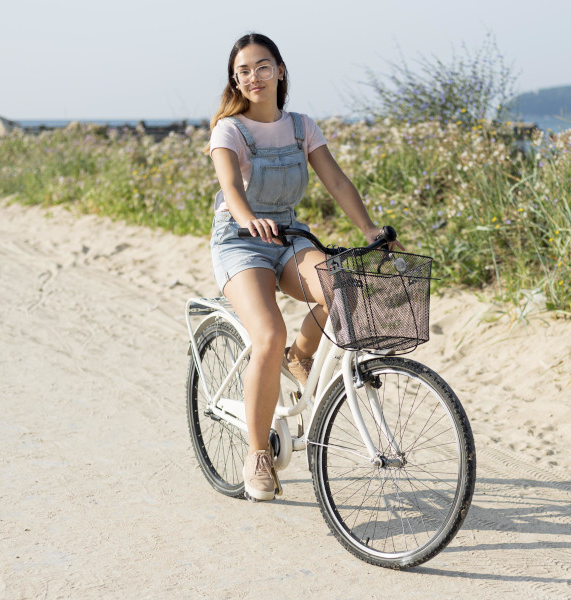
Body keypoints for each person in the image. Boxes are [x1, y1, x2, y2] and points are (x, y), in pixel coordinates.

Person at [206, 33, 391, 501]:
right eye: (243, 71)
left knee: (340, 286)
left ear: (281, 70)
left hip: (288, 235)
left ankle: (301, 357)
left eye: (262, 67)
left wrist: (369, 228)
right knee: (268, 334)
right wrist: (249, 218)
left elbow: (335, 179)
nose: (253, 77)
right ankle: (257, 453)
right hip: (240, 242)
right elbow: (230, 187)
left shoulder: (301, 126)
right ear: (236, 79)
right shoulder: (229, 131)